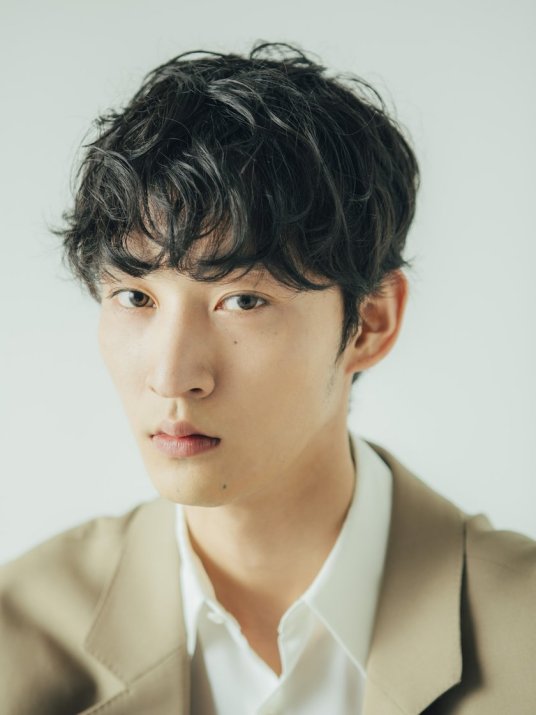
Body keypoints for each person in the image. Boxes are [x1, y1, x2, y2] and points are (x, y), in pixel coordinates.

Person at [0, 41, 534, 715]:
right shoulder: (17, 635)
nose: (172, 376)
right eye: (135, 297)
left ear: (370, 322)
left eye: (243, 300)